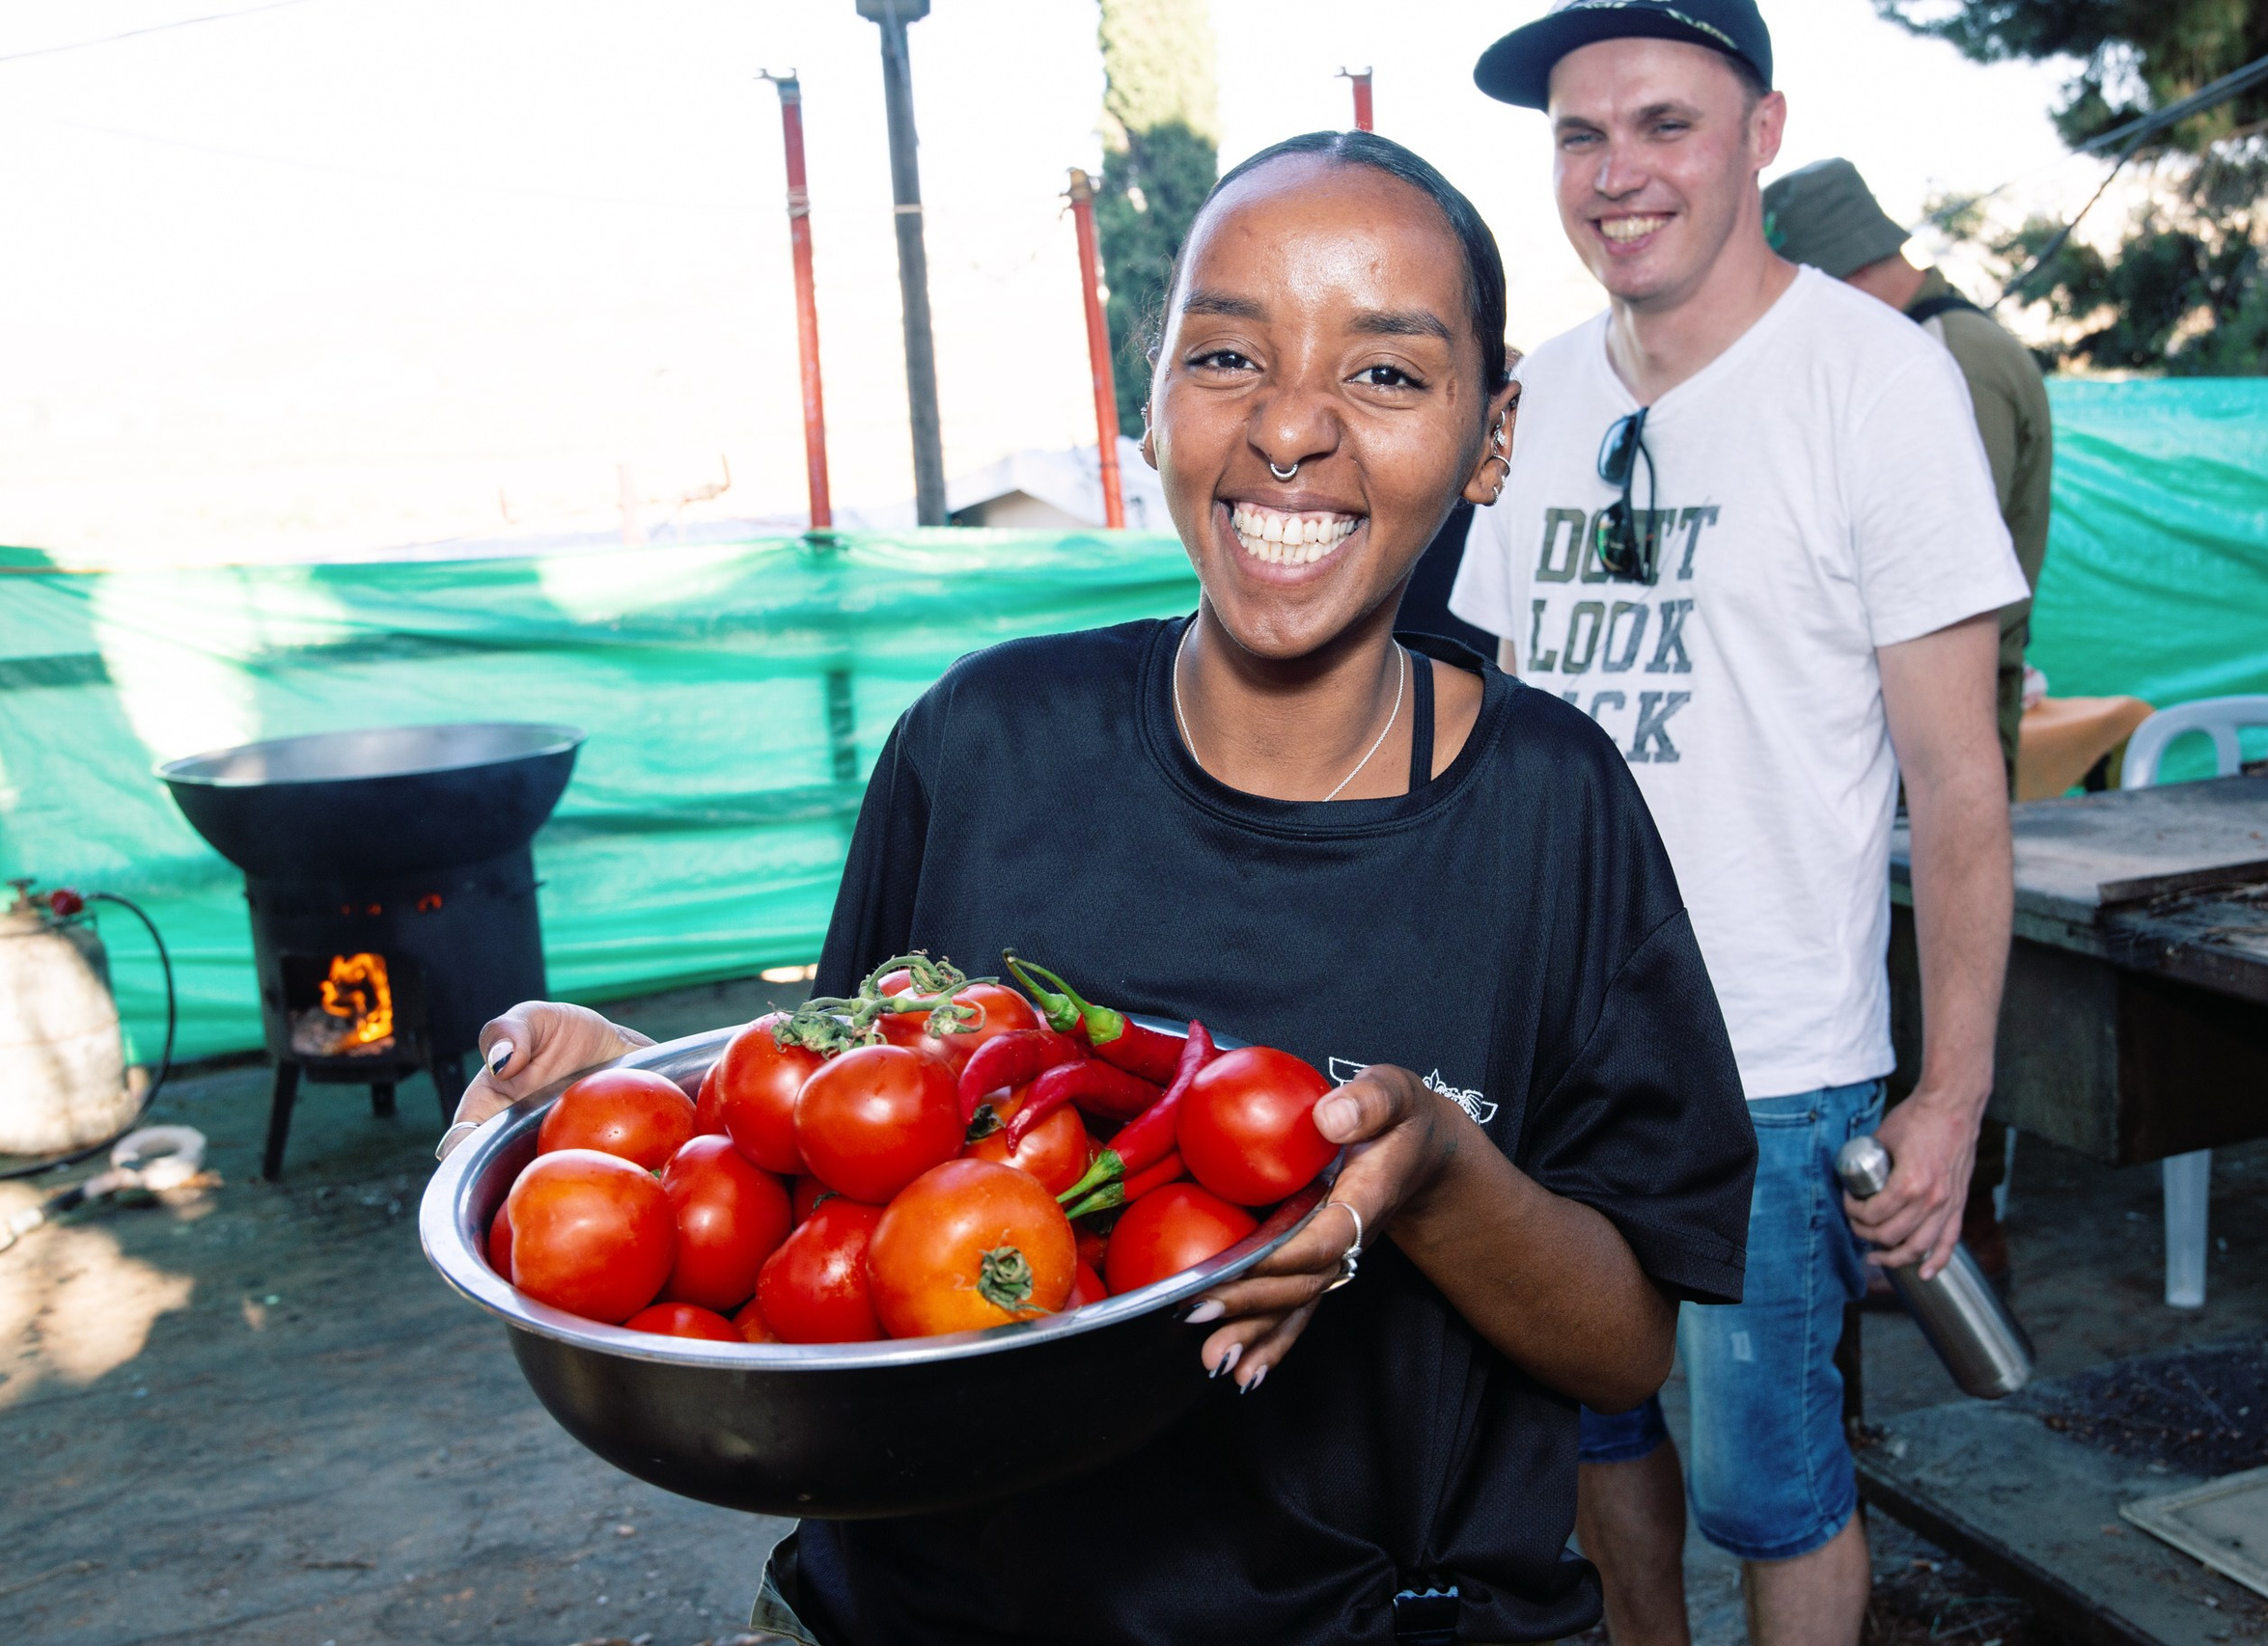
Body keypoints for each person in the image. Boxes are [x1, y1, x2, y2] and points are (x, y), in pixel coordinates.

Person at [447, 129, 1756, 1646]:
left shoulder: (1552, 806)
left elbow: (1622, 1346)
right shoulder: (982, 742)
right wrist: (642, 1116)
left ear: (1491, 433)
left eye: (1388, 373)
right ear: (1153, 397)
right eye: (1227, 356)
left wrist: (1443, 1174)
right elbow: (845, 1169)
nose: (1291, 427)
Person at [1452, 6, 2025, 1645]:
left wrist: (1951, 1094)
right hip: (1558, 1055)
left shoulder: (1878, 382)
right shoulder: (1539, 396)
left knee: (1774, 1486)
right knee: (1591, 1432)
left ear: (1763, 133)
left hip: (1769, 1065)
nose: (1616, 173)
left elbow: (1959, 783)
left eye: (1665, 125)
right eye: (1580, 135)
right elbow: (1498, 728)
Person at [1765, 155, 2054, 1285]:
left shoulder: (1937, 362)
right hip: (1920, 719)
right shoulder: (1958, 340)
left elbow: (1927, 580)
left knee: (1935, 991)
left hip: (1933, 727)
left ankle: (1950, 1233)